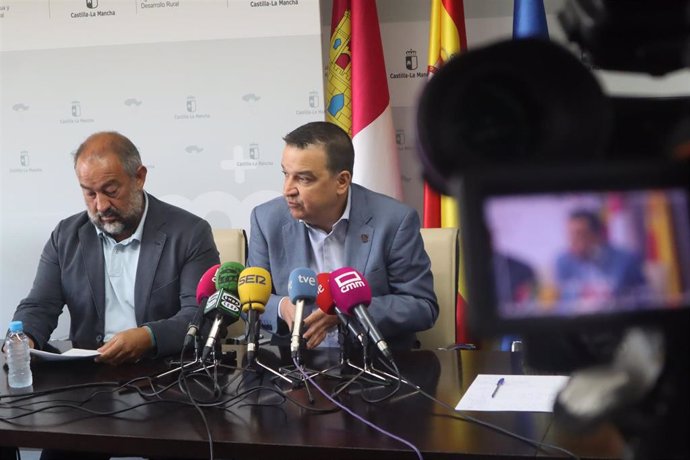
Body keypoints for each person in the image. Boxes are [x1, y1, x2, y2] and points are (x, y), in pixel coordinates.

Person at [9, 131, 220, 366]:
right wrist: (24, 339)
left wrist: (149, 336)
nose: (101, 205)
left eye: (111, 191)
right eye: (90, 193)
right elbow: (40, 305)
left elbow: (203, 315)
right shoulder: (65, 236)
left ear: (139, 177)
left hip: (162, 371)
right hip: (87, 373)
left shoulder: (190, 233)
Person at [247, 121, 438, 350]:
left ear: (341, 181)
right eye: (286, 174)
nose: (287, 189)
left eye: (304, 178)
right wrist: (281, 307)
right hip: (295, 365)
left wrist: (349, 313)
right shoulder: (267, 220)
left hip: (373, 363)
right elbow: (249, 299)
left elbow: (421, 306)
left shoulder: (394, 221)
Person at [555, 208, 648, 312]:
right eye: (570, 235)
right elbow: (562, 307)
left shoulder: (627, 260)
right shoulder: (563, 262)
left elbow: (644, 301)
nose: (573, 241)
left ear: (598, 235)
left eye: (580, 234)